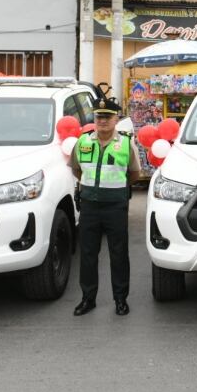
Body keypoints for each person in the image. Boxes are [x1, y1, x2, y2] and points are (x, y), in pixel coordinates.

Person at [68, 97, 141, 316]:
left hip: (115, 206)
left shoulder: (126, 143)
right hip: (89, 204)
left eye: (107, 117)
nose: (102, 121)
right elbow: (76, 168)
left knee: (118, 254)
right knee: (88, 254)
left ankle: (120, 299)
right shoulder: (83, 142)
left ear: (115, 119)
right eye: (99, 117)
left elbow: (134, 173)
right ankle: (88, 299)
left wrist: (116, 188)